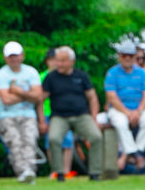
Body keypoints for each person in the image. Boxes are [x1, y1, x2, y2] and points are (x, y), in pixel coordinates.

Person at [41, 46, 103, 181]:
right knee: (54, 138)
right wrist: (41, 121)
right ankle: (59, 172)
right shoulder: (50, 78)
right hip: (59, 116)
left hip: (81, 115)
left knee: (96, 136)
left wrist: (94, 117)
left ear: (72, 62)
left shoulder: (81, 76)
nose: (59, 64)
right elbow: (41, 100)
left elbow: (92, 97)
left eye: (63, 61)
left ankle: (94, 172)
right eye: (58, 61)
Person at [0, 41, 46, 184]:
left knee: (29, 141)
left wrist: (17, 91)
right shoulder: (1, 75)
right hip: (7, 115)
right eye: (10, 56)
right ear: (5, 58)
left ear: (22, 56)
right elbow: (6, 100)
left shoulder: (31, 72)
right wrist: (28, 94)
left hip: (28, 114)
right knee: (15, 142)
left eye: (16, 55)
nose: (14, 59)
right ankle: (23, 172)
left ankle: (29, 171)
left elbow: (39, 97)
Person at [105, 40, 145, 171]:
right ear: (119, 56)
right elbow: (112, 97)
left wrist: (138, 112)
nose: (127, 58)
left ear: (134, 57)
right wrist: (127, 113)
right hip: (118, 109)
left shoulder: (141, 73)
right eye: (124, 55)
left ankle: (134, 152)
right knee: (120, 122)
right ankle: (136, 154)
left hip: (138, 108)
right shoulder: (112, 73)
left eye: (130, 55)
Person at [41, 48, 76, 179]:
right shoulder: (42, 76)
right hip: (47, 112)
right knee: (51, 141)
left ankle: (66, 170)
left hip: (63, 113)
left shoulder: (65, 76)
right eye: (52, 60)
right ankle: (55, 169)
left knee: (67, 141)